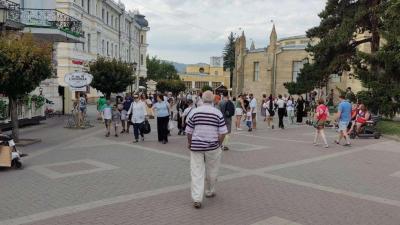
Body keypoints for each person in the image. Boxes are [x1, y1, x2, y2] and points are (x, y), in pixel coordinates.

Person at [185, 91, 227, 209]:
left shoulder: (194, 112)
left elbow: (189, 130)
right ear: (213, 100)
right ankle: (209, 190)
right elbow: (223, 132)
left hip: (197, 146)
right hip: (213, 146)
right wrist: (219, 143)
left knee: (196, 171)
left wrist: (190, 142)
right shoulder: (217, 113)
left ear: (202, 100)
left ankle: (197, 198)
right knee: (212, 170)